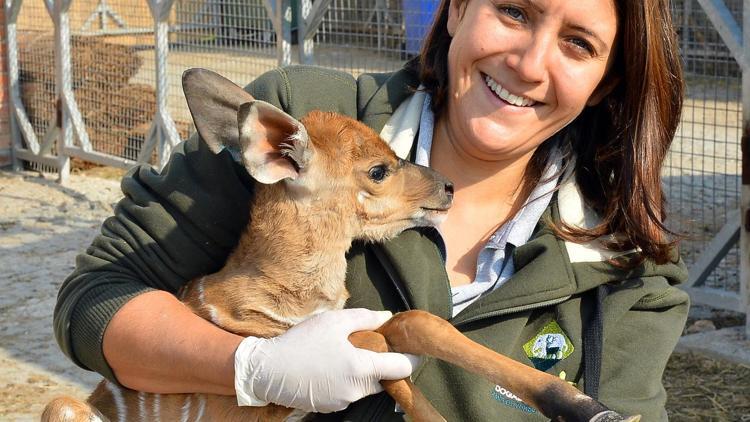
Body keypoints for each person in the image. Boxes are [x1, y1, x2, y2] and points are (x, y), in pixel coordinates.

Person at [53, 0, 689, 420]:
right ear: (459, 8)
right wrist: (252, 368)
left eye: (578, 44)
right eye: (514, 10)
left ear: (605, 80)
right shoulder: (309, 124)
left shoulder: (629, 266)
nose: (528, 64)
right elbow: (95, 298)